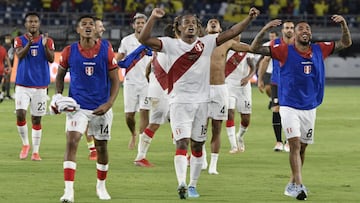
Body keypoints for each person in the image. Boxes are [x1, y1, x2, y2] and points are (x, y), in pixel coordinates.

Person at [139, 7, 259, 199]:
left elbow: (232, 32)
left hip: (202, 103)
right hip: (179, 103)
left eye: (194, 23)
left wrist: (249, 19)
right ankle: (181, 183)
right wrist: (152, 17)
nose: (191, 26)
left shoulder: (207, 43)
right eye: (186, 23)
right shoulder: (169, 44)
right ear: (178, 28)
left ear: (198, 27)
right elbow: (144, 40)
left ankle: (193, 185)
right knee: (182, 142)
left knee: (197, 145)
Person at [250, 15, 352, 200]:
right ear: (294, 35)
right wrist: (264, 29)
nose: (305, 31)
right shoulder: (283, 50)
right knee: (295, 144)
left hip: (310, 106)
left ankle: (291, 183)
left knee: (303, 148)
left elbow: (346, 42)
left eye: (308, 29)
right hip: (289, 105)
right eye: (301, 29)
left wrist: (344, 24)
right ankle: (299, 185)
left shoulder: (320, 49)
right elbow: (254, 48)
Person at [55, 15, 120, 202]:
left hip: (101, 107)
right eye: (84, 24)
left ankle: (101, 186)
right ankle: (68, 191)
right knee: (72, 141)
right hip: (77, 107)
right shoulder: (69, 51)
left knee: (101, 147)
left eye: (91, 24)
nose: (88, 27)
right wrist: (59, 96)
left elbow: (116, 80)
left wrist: (109, 104)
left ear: (96, 29)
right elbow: (59, 76)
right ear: (78, 30)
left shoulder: (106, 51)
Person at [203, 19, 252, 175]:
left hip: (220, 89)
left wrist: (258, 27)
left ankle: (213, 165)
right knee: (200, 128)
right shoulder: (198, 43)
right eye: (210, 22)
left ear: (220, 29)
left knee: (216, 128)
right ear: (205, 29)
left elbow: (250, 48)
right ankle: (202, 159)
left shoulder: (228, 43)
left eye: (215, 22)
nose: (213, 23)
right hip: (201, 89)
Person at [14, 12, 55, 161]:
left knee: (37, 119)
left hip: (40, 86)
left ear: (39, 24)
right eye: (30, 22)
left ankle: (36, 152)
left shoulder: (48, 41)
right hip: (22, 84)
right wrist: (29, 44)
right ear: (26, 24)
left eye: (35, 22)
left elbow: (51, 59)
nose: (33, 24)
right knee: (20, 114)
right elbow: (19, 55)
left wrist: (44, 46)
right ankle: (25, 144)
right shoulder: (19, 40)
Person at [133, 24, 175, 167]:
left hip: (157, 90)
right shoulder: (171, 48)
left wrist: (150, 82)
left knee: (171, 122)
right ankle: (140, 157)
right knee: (163, 122)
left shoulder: (161, 47)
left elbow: (148, 67)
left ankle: (141, 156)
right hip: (163, 91)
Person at [257, 21, 295, 152]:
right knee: (276, 110)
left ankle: (289, 142)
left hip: (293, 84)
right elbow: (265, 60)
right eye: (286, 28)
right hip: (276, 82)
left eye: (291, 28)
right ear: (283, 30)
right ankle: (279, 141)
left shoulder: (298, 44)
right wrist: (260, 79)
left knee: (291, 112)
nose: (289, 30)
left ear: (294, 30)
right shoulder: (275, 44)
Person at [117, 13, 152, 150]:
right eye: (138, 23)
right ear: (133, 25)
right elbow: (118, 60)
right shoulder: (126, 41)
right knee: (129, 115)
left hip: (146, 83)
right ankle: (133, 134)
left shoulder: (150, 40)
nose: (140, 25)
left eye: (143, 23)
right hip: (130, 82)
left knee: (144, 112)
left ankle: (141, 147)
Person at [225, 33, 256, 154]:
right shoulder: (224, 48)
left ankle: (240, 137)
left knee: (246, 118)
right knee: (230, 113)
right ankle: (233, 145)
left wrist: (248, 77)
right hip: (228, 84)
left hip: (243, 86)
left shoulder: (245, 47)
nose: (236, 36)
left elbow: (253, 67)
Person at [83, 17, 107, 161]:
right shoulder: (81, 47)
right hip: (86, 91)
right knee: (86, 120)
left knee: (99, 123)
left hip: (102, 92)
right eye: (100, 26)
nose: (102, 29)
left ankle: (98, 147)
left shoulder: (106, 46)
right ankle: (92, 149)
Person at [256, 31, 278, 109]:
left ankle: (274, 100)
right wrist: (258, 66)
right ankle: (271, 99)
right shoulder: (266, 45)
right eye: (270, 36)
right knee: (268, 88)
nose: (271, 38)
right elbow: (262, 58)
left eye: (273, 36)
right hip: (267, 70)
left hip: (277, 70)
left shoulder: (279, 45)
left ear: (276, 37)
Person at [1, 34, 14, 101]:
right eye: (7, 38)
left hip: (9, 65)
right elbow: (5, 57)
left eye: (9, 38)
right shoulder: (4, 46)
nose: (8, 39)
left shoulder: (11, 46)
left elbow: (11, 56)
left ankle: (5, 93)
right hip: (4, 66)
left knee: (7, 80)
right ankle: (5, 94)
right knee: (6, 80)